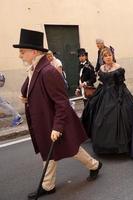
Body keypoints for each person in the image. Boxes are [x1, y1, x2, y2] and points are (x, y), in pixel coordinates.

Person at [13, 28, 102, 199]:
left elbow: (61, 103)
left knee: (72, 150)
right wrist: (25, 95)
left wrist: (57, 127)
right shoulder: (34, 68)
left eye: (22, 52)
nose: (20, 55)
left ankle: (94, 165)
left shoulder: (48, 71)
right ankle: (48, 185)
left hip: (54, 122)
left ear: (33, 52)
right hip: (45, 121)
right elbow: (31, 88)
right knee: (50, 153)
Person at [81, 47, 133, 154]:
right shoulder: (101, 68)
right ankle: (103, 145)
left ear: (113, 56)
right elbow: (101, 82)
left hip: (117, 92)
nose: (108, 57)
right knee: (97, 116)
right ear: (103, 58)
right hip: (103, 93)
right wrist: (96, 94)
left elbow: (120, 84)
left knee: (118, 117)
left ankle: (119, 146)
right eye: (105, 56)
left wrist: (119, 98)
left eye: (109, 55)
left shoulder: (118, 68)